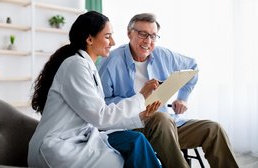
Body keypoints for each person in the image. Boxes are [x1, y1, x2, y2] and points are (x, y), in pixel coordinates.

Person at [98, 13, 239, 168]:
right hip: (134, 125)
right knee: (161, 118)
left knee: (213, 130)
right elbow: (102, 103)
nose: (148, 41)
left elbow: (192, 67)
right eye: (142, 34)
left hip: (169, 125)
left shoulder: (163, 55)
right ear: (129, 33)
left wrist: (182, 98)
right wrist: (139, 99)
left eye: (153, 36)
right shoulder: (112, 60)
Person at [28, 11, 162, 168]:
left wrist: (140, 116)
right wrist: (141, 97)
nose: (113, 42)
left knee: (136, 143)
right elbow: (100, 117)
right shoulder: (75, 65)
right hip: (57, 147)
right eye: (107, 36)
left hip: (80, 138)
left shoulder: (87, 65)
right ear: (89, 39)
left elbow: (99, 116)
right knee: (127, 155)